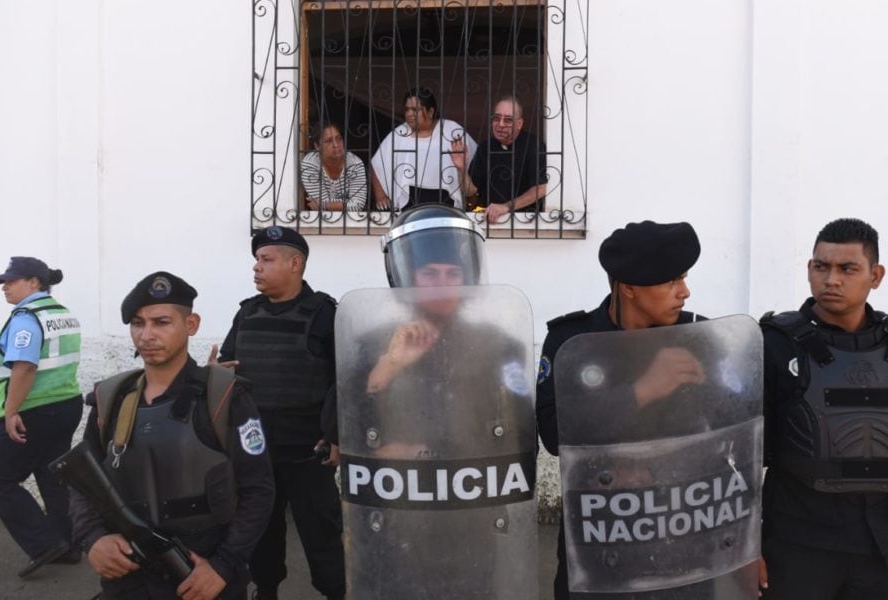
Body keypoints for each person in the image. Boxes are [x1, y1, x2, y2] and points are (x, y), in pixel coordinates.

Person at [758, 218, 888, 599]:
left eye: (847, 268)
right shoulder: (775, 346)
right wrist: (744, 547)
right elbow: (741, 455)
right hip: (798, 541)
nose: (831, 279)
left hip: (885, 543)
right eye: (821, 267)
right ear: (809, 269)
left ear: (876, 275)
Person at [339, 205, 537, 599]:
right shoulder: (370, 345)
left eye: (453, 273)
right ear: (406, 276)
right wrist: (388, 366)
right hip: (398, 518)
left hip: (471, 519)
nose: (443, 284)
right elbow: (337, 425)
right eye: (429, 274)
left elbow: (522, 429)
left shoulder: (501, 347)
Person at [69, 271, 275, 599]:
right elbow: (82, 479)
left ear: (190, 325)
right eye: (138, 323)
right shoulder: (112, 399)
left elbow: (258, 490)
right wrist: (92, 539)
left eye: (161, 322)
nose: (146, 335)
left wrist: (224, 565)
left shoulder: (223, 398)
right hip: (129, 578)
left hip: (200, 576)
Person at [535, 221, 708, 600]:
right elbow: (552, 434)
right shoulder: (572, 341)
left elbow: (728, 436)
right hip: (598, 542)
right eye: (670, 281)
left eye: (684, 277)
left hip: (680, 538)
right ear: (627, 287)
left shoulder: (701, 339)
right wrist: (641, 391)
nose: (685, 292)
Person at [217, 226, 345, 600]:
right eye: (257, 260)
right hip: (255, 451)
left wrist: (336, 435)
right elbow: (228, 368)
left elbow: (344, 377)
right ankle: (266, 589)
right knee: (260, 534)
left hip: (309, 452)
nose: (256, 267)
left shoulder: (324, 313)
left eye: (266, 259)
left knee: (322, 535)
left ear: (295, 263)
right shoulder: (247, 312)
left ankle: (338, 592)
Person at [0, 256, 83, 578]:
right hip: (66, 404)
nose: (4, 286)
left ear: (34, 283)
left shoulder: (27, 316)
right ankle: (70, 544)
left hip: (33, 409)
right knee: (52, 474)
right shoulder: (61, 313)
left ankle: (44, 545)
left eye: (11, 280)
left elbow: (25, 366)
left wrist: (11, 411)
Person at [370, 86, 477, 211]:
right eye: (407, 109)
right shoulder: (399, 133)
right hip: (410, 205)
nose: (409, 114)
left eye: (415, 110)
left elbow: (477, 160)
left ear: (431, 111)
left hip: (446, 203)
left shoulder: (451, 130)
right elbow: (377, 164)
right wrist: (380, 196)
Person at [451, 95, 548, 223]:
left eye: (508, 120)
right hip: (488, 222)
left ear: (519, 124)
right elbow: (471, 192)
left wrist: (506, 207)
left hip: (524, 223)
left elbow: (540, 189)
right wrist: (461, 168)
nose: (500, 124)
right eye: (496, 118)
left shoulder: (533, 145)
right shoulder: (487, 147)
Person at [299, 121, 368, 212]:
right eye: (329, 141)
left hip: (351, 221)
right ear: (317, 146)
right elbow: (353, 205)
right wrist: (348, 203)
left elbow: (358, 205)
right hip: (321, 221)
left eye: (339, 139)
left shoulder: (355, 163)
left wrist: (323, 205)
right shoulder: (310, 164)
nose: (336, 145)